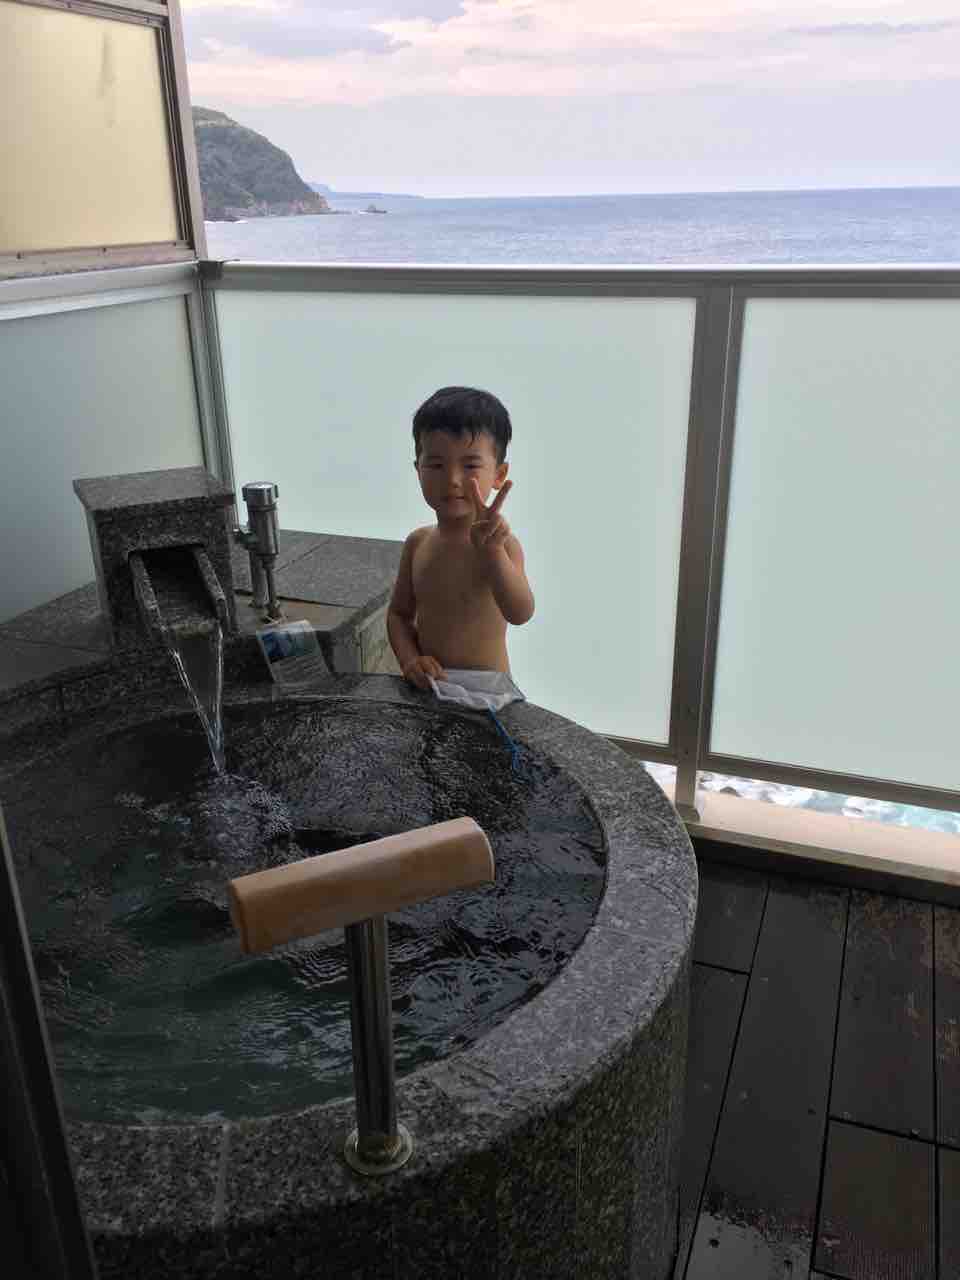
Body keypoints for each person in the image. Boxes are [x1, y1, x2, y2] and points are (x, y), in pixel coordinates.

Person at [387, 386, 535, 690]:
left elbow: (520, 612)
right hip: (431, 687)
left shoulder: (502, 544)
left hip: (489, 694)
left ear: (498, 474)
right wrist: (410, 661)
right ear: (418, 469)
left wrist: (492, 553)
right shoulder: (418, 543)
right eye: (436, 465)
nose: (452, 479)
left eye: (470, 466)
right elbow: (399, 615)